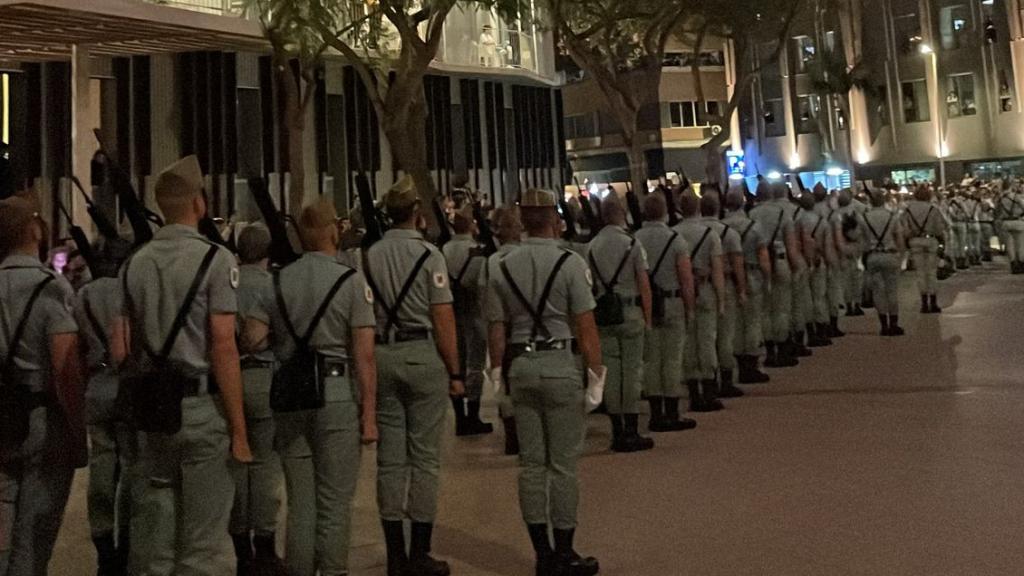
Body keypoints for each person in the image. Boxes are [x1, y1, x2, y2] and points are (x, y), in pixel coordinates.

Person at [111, 155, 252, 576]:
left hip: (154, 409)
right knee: (205, 544)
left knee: (157, 536)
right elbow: (224, 348)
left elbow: (125, 350)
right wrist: (240, 430)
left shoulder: (134, 263)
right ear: (199, 203)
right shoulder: (217, 260)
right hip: (202, 407)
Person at [241, 200, 378, 576]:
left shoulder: (276, 281)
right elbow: (364, 356)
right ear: (334, 229)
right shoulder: (351, 281)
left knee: (300, 502)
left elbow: (251, 338)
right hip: (335, 392)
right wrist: (369, 416)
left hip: (290, 393)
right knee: (334, 500)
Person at [484, 188, 602, 576]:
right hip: (559, 363)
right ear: (553, 217)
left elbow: (496, 329)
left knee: (531, 465)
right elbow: (586, 329)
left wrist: (498, 374)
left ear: (521, 220)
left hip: (521, 364)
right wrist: (595, 376)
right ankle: (565, 550)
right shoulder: (570, 263)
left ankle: (542, 553)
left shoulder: (499, 265)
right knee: (563, 465)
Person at [364, 176, 463, 576]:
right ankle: (419, 551)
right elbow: (443, 319)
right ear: (417, 214)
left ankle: (394, 554)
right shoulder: (430, 256)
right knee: (423, 459)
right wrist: (455, 371)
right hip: (422, 354)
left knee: (390, 461)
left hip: (383, 354)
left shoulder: (368, 255)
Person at [0, 193, 87, 575]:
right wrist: (76, 430)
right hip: (40, 418)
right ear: (34, 229)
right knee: (33, 539)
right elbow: (65, 366)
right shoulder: (50, 288)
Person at [223, 225, 284, 574]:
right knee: (264, 465)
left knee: (235, 464)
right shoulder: (272, 286)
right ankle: (265, 545)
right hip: (263, 376)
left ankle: (240, 548)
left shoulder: (225, 281)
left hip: (227, 379)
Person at [76, 238, 134, 576]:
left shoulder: (84, 294)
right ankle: (123, 537)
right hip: (124, 386)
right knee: (128, 464)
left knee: (101, 462)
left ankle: (101, 538)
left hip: (96, 386)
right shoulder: (129, 290)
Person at [586, 195, 653, 452]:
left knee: (610, 373)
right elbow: (643, 285)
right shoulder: (632, 245)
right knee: (632, 371)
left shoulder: (590, 247)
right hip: (631, 312)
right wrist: (647, 318)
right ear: (621, 214)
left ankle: (616, 430)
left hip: (603, 315)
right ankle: (632, 429)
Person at [635, 191, 697, 432]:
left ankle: (655, 412)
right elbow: (686, 279)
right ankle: (672, 412)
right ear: (665, 212)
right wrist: (689, 308)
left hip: (646, 305)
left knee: (651, 360)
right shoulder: (676, 240)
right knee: (672, 359)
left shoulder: (636, 239)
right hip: (672, 302)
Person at [442, 206, 493, 437]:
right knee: (475, 365)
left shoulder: (443, 249)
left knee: (456, 364)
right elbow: (481, 284)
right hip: (473, 311)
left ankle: (459, 417)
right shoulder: (478, 251)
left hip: (452, 310)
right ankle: (472, 414)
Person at [477, 205, 524, 455]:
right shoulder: (529, 258)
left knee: (503, 381)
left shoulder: (491, 264)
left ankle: (512, 432)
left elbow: (489, 311)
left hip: (502, 331)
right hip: (527, 330)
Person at [674, 189, 726, 411]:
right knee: (706, 340)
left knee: (687, 343)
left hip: (680, 293)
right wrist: (721, 299)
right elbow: (717, 271)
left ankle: (694, 391)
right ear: (697, 208)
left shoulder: (673, 234)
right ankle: (710, 390)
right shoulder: (710, 234)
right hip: (704, 291)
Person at [700, 191, 748, 398]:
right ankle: (726, 380)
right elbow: (737, 266)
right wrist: (742, 290)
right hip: (724, 285)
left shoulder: (682, 233)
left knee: (703, 339)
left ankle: (705, 381)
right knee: (726, 335)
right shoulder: (728, 233)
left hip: (697, 289)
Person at [722, 189, 772, 384]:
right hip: (751, 274)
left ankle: (735, 361)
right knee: (752, 322)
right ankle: (750, 365)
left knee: (734, 324)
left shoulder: (721, 227)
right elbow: (763, 256)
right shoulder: (754, 227)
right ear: (742, 203)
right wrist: (767, 278)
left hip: (729, 278)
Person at [749, 183, 801, 367]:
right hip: (779, 261)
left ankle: (770, 351)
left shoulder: (751, 214)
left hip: (758, 265)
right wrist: (796, 267)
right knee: (782, 308)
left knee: (765, 310)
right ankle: (783, 348)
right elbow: (791, 245)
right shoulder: (783, 214)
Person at [860, 189, 906, 336]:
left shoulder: (864, 218)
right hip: (890, 254)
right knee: (892, 290)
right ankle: (894, 323)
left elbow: (862, 240)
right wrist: (901, 255)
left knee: (878, 292)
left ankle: (884, 325)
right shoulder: (892, 217)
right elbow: (899, 238)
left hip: (873, 256)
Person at [901, 185, 945, 314]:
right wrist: (942, 242)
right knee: (931, 272)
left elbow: (904, 228)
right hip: (930, 240)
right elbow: (939, 228)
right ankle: (933, 301)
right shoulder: (933, 209)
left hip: (915, 241)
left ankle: (924, 303)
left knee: (920, 272)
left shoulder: (908, 210)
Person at [795, 194, 832, 347]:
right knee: (819, 296)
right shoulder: (822, 221)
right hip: (819, 260)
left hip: (803, 261)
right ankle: (821, 330)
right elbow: (826, 244)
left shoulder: (798, 221)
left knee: (805, 298)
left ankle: (809, 331)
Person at [997, 184, 1024, 273]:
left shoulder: (1001, 199)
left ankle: (1013, 264)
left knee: (1009, 245)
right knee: (1020, 244)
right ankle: (1021, 263)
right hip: (1017, 221)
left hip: (1006, 222)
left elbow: (997, 211)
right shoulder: (1016, 197)